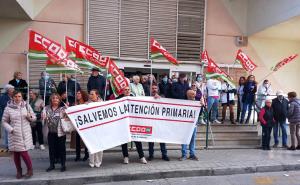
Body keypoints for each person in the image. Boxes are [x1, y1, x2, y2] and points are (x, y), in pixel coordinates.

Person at [2, 91, 36, 179]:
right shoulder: (8, 108)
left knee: (24, 153)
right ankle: (19, 171)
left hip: (25, 134)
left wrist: (30, 117)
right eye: (16, 96)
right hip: (14, 134)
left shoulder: (27, 106)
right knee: (16, 154)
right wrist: (11, 129)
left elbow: (34, 117)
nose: (17, 98)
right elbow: (4, 121)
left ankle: (30, 170)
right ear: (12, 97)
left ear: (22, 97)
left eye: (19, 96)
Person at [116, 86, 147, 164]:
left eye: (128, 89)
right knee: (124, 141)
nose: (127, 91)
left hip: (133, 123)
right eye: (125, 90)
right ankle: (126, 156)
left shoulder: (134, 98)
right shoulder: (118, 99)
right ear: (123, 91)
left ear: (130, 90)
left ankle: (142, 156)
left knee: (137, 140)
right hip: (123, 123)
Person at [43, 93, 67, 172]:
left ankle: (63, 165)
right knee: (51, 149)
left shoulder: (63, 108)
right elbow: (42, 117)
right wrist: (43, 117)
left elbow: (69, 116)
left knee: (62, 149)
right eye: (53, 98)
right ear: (51, 100)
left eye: (57, 98)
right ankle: (52, 165)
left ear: (59, 100)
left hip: (60, 132)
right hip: (51, 132)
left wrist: (68, 108)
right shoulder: (46, 108)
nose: (55, 99)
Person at [147, 84, 169, 161]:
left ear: (158, 89)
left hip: (160, 123)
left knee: (162, 140)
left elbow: (166, 105)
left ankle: (164, 155)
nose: (154, 89)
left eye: (155, 88)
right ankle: (151, 155)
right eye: (152, 88)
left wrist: (159, 98)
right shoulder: (147, 97)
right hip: (151, 122)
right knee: (151, 141)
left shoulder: (162, 96)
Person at [179, 90, 199, 161]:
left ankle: (192, 154)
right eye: (193, 94)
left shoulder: (197, 103)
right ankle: (184, 154)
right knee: (184, 139)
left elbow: (200, 112)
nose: (194, 95)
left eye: (194, 94)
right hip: (185, 125)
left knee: (192, 140)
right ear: (189, 95)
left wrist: (202, 104)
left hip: (194, 125)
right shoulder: (184, 103)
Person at [87, 89, 104, 167]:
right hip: (91, 128)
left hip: (100, 128)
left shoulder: (102, 103)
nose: (90, 95)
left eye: (92, 94)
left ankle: (98, 161)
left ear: (97, 95)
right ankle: (91, 162)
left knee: (99, 145)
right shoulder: (87, 104)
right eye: (90, 94)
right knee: (91, 145)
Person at [73, 90, 89, 161]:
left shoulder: (86, 103)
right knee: (77, 141)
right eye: (76, 93)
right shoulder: (75, 103)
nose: (77, 94)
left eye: (79, 93)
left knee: (85, 141)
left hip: (85, 125)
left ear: (82, 94)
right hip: (77, 125)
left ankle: (86, 154)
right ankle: (78, 155)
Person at [0, 84, 14, 150]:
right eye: (12, 89)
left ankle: (12, 143)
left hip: (13, 116)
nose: (13, 90)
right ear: (8, 90)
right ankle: (7, 144)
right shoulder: (3, 97)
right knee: (7, 131)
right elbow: (4, 105)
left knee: (12, 130)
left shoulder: (13, 96)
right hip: (6, 116)